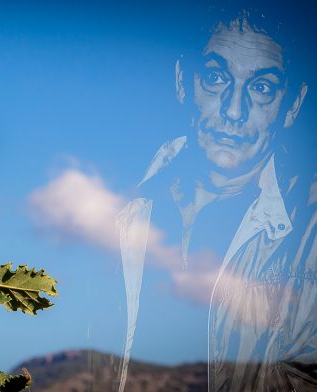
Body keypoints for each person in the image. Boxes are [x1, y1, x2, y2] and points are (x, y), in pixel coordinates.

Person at [117, 10, 316, 392]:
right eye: (215, 78)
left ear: (291, 105)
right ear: (182, 81)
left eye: (261, 88)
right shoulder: (115, 204)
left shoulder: (309, 230)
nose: (233, 110)